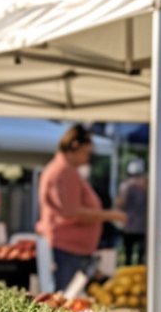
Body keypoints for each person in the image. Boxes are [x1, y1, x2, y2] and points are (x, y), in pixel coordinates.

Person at [36, 124, 126, 290]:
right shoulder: (63, 171)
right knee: (65, 299)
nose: (88, 158)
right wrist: (110, 215)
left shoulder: (63, 169)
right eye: (86, 153)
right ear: (75, 147)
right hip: (67, 248)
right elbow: (70, 212)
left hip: (70, 247)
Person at [114, 158, 147, 266]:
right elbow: (119, 204)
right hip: (129, 226)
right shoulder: (125, 186)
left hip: (143, 227)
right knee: (128, 256)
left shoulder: (147, 186)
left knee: (141, 257)